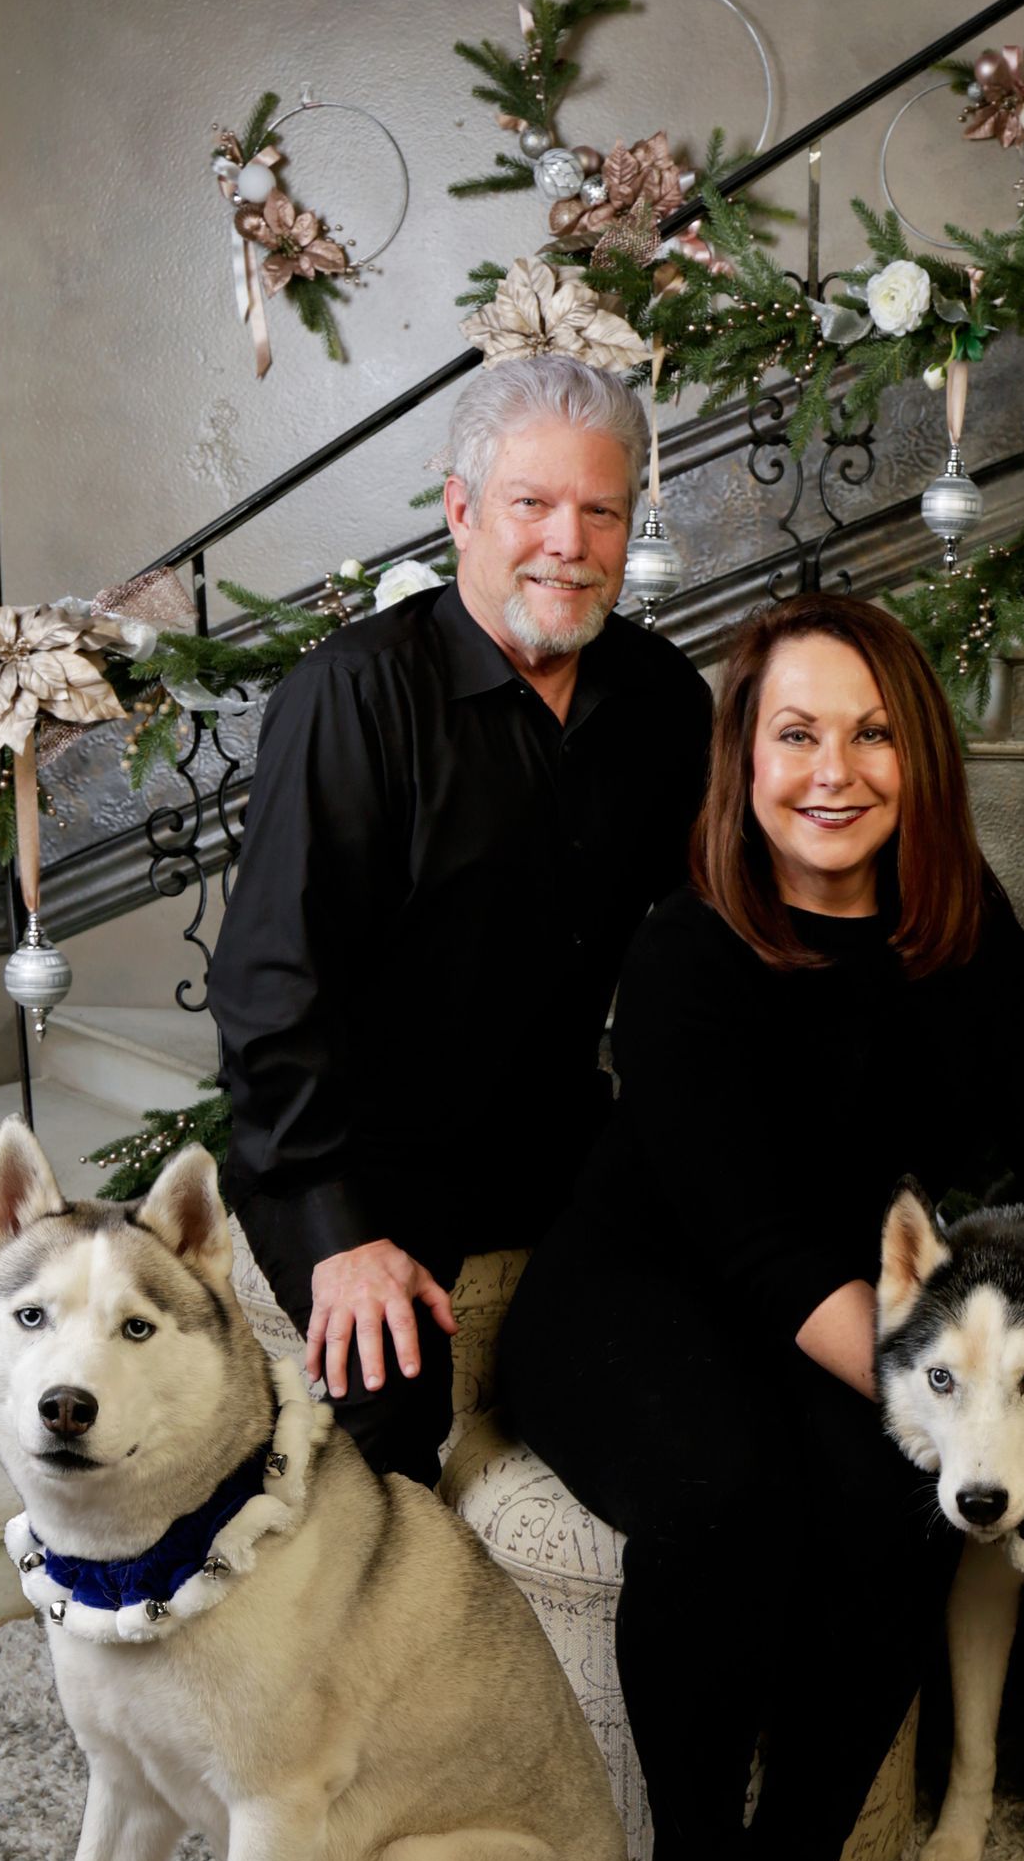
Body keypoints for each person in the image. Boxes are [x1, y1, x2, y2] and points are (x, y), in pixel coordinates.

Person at [498, 593, 1024, 1861]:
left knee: (887, 1506)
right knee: (731, 1497)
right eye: (795, 734)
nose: (832, 771)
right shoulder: (684, 955)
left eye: (871, 732)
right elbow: (756, 1248)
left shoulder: (955, 937)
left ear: (919, 759)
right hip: (636, 1298)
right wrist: (935, 1410)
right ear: (743, 759)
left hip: (834, 1301)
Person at [209, 354, 712, 1486]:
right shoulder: (352, 696)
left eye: (601, 511)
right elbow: (268, 990)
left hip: (552, 1128)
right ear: (461, 509)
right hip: (351, 1144)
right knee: (386, 1420)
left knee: (702, 1335)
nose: (567, 544)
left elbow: (712, 927)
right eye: (532, 505)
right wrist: (337, 1234)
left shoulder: (662, 701)